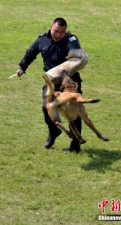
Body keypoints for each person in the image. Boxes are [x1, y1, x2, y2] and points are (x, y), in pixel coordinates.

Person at [17, 17, 84, 153]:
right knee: (45, 108)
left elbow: (79, 57)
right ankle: (54, 132)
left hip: (69, 82)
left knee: (73, 113)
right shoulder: (42, 40)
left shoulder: (71, 40)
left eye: (62, 32)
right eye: (56, 31)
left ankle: (75, 144)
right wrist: (22, 67)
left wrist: (73, 40)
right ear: (50, 28)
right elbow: (31, 53)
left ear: (65, 31)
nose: (58, 34)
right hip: (52, 82)